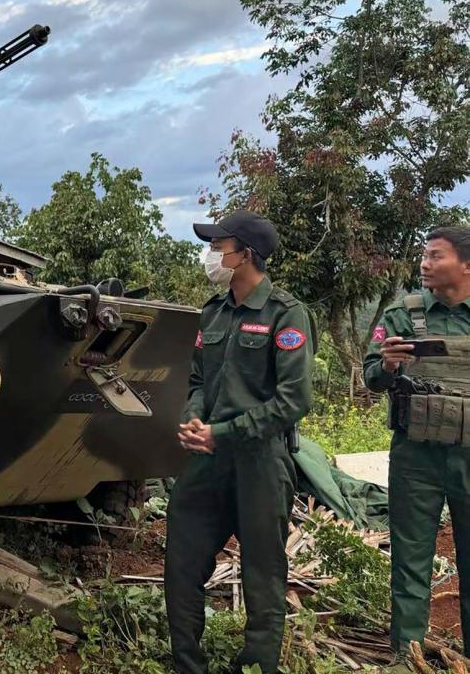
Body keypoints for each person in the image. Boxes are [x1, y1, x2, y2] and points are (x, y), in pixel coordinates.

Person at [164, 210, 314, 674]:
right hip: (207, 460)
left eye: (219, 246)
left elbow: (293, 400)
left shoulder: (286, 315)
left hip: (261, 461)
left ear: (245, 254)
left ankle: (256, 666)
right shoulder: (213, 312)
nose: (212, 254)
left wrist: (223, 432)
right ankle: (188, 665)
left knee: (263, 575)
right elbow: (196, 380)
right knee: (182, 562)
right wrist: (192, 419)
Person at [364, 226, 470, 655]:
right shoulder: (403, 315)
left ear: (465, 264)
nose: (424, 263)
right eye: (423, 255)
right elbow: (372, 377)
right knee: (410, 562)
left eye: (436, 255)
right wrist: (387, 365)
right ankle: (406, 658)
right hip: (415, 458)